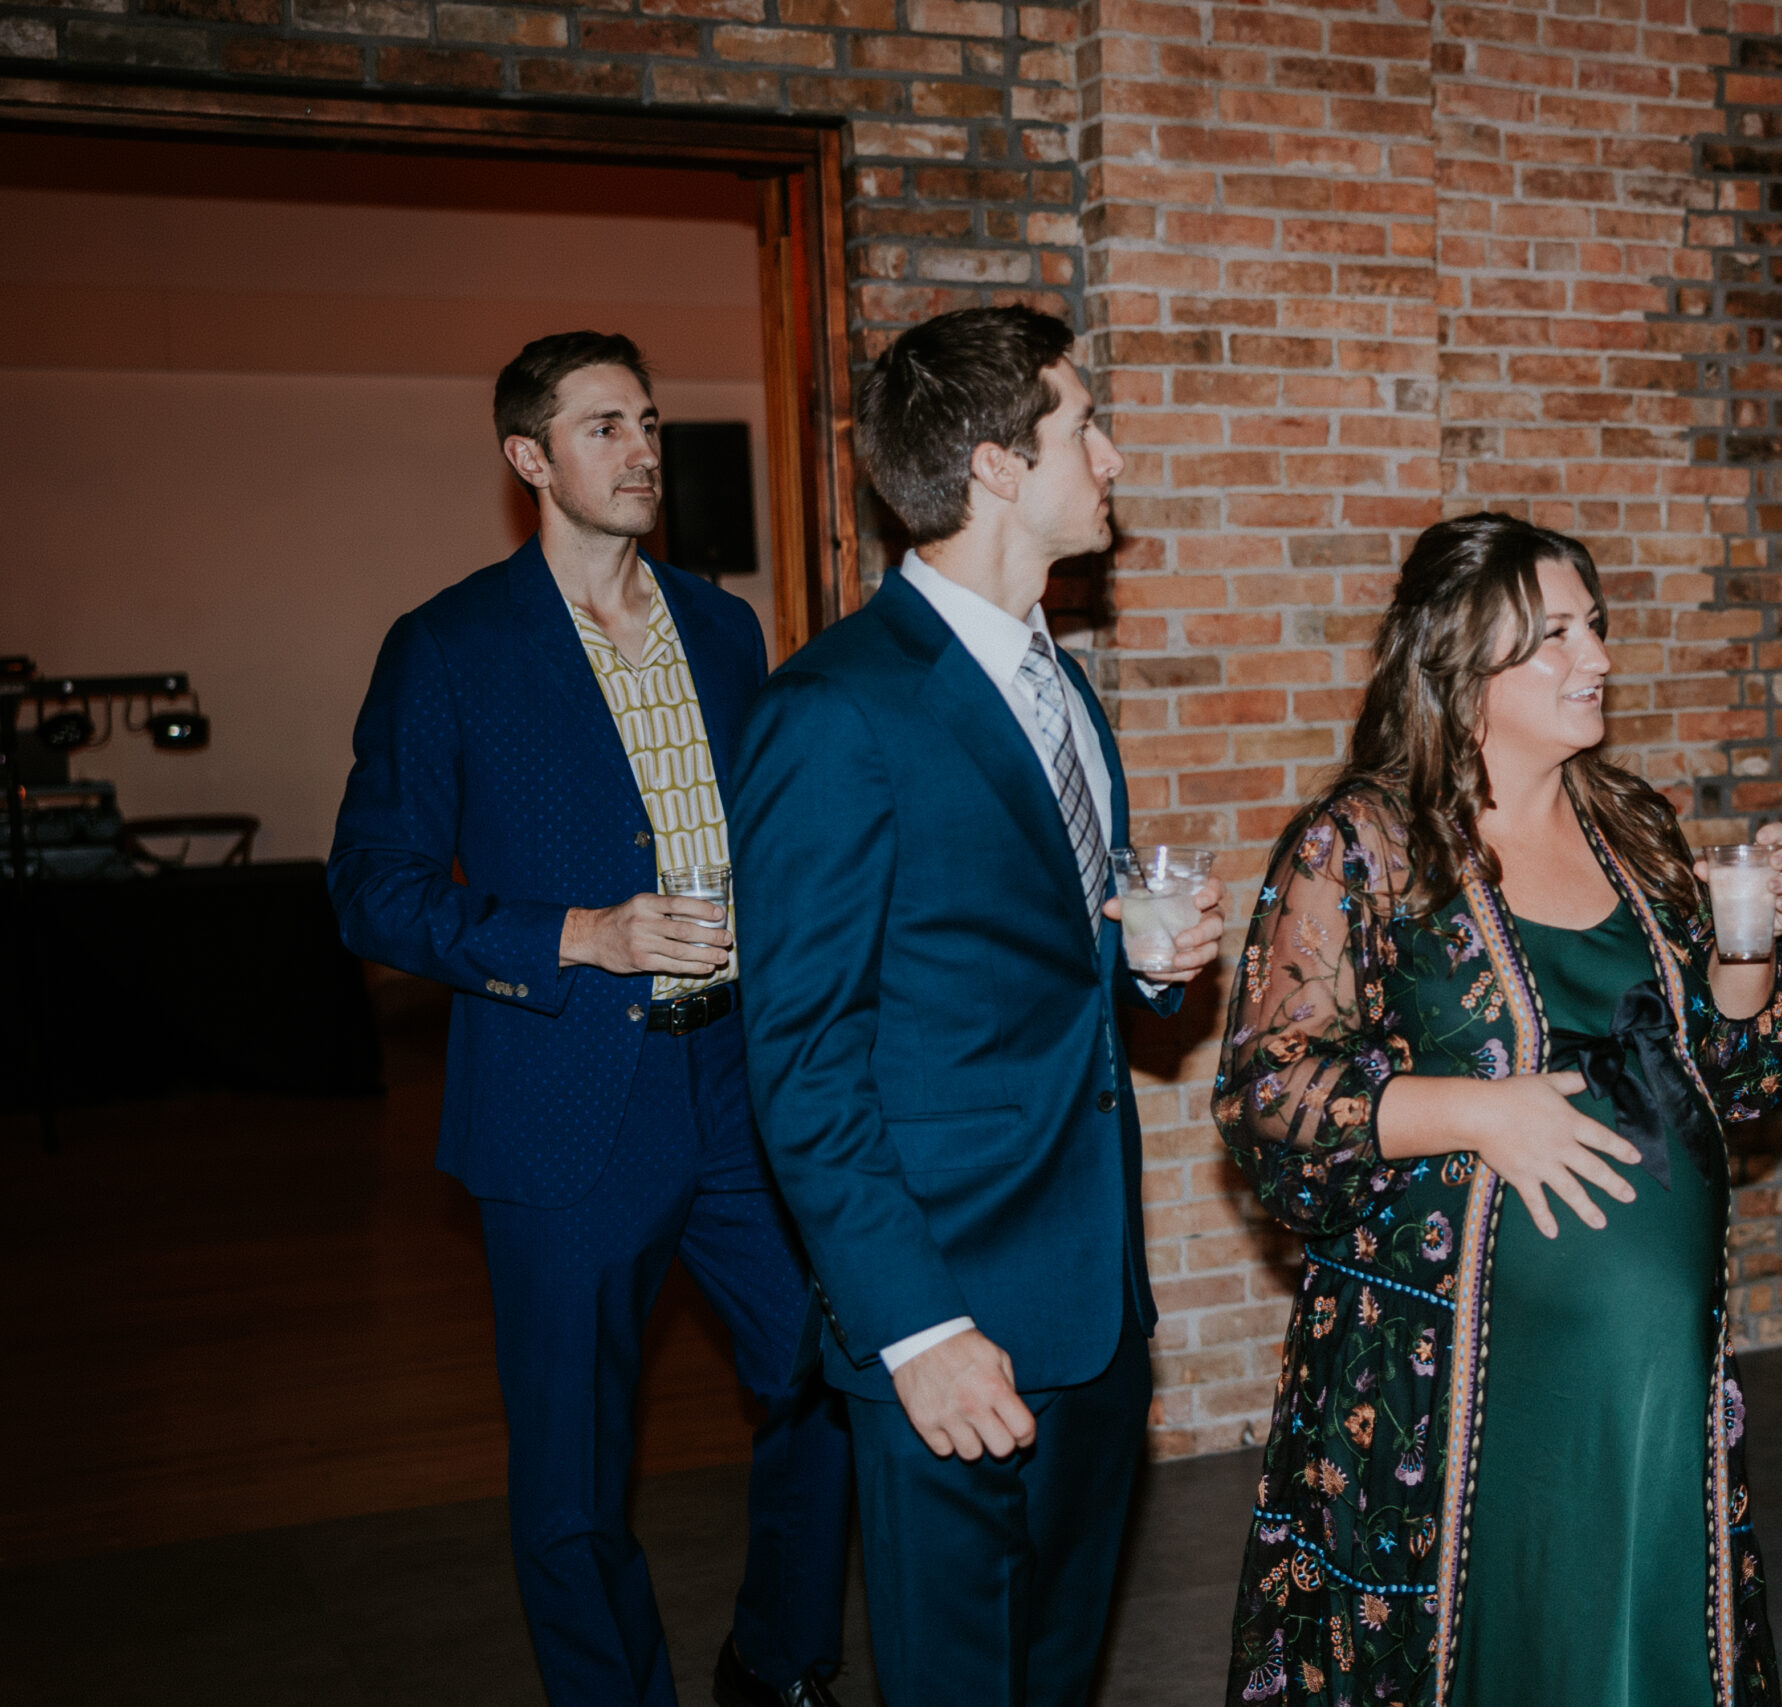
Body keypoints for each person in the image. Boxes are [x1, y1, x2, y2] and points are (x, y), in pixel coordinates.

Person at [1215, 513, 1782, 1706]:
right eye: (1550, 637)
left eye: (1593, 626)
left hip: (1652, 1379)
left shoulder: (1632, 826)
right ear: (1458, 666)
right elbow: (1269, 1096)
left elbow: (1737, 1076)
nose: (1593, 657)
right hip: (1464, 1388)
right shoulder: (1364, 846)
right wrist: (1480, 1114)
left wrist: (1749, 948)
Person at [329, 332, 851, 1707]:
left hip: (743, 1083)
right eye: (604, 425)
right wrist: (580, 934)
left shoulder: (725, 626)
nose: (641, 450)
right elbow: (370, 891)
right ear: (528, 458)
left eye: (651, 422)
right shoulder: (447, 646)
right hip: (563, 1103)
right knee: (573, 1472)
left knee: (832, 1361)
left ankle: (779, 1653)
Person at [728, 305, 1226, 1707]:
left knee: (1054, 1676)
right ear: (1000, 467)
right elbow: (803, 1060)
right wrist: (916, 1329)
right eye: (1085, 425)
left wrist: (1140, 956)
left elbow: (1040, 963)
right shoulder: (834, 710)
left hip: (1090, 1308)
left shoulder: (1061, 686)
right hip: (949, 1319)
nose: (1114, 455)